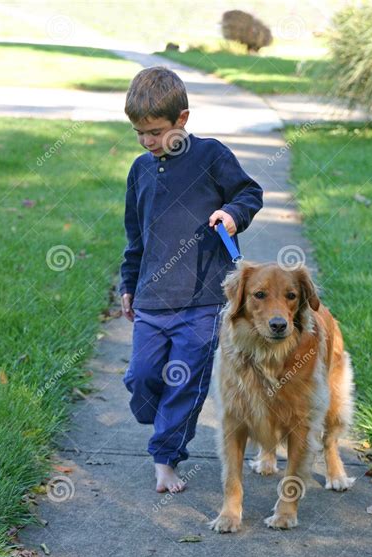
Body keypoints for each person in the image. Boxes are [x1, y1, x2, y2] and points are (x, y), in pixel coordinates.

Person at [119, 66, 263, 493]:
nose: (147, 141)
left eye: (155, 131)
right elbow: (134, 237)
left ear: (182, 119)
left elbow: (249, 193)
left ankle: (166, 456)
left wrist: (232, 216)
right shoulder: (140, 171)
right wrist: (128, 284)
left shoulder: (211, 156)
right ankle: (160, 418)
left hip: (202, 300)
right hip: (151, 298)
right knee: (143, 377)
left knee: (184, 380)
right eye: (139, 133)